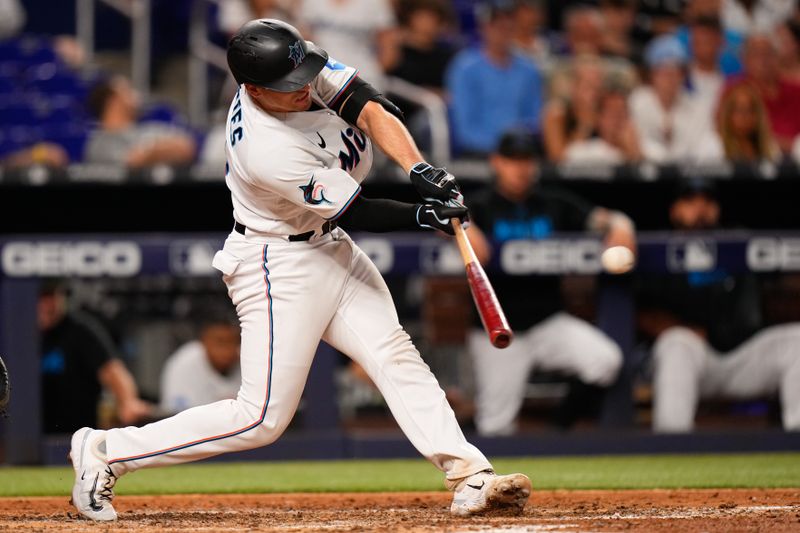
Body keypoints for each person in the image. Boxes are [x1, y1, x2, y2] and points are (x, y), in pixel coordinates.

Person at [69, 19, 531, 521]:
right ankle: (104, 451)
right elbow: (355, 210)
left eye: (304, 74)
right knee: (260, 419)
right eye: (289, 87)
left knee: (394, 356)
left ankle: (469, 475)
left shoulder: (296, 64)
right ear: (252, 88)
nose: (305, 88)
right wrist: (424, 215)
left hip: (328, 246)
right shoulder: (265, 148)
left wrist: (420, 170)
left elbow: (371, 106)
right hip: (276, 264)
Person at [465, 128, 632, 436]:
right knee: (495, 427)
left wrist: (622, 225)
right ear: (497, 163)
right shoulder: (480, 205)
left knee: (605, 360)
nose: (521, 168)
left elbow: (604, 219)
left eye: (527, 160)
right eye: (513, 160)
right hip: (498, 331)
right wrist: (461, 227)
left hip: (547, 322)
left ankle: (557, 431)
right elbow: (443, 219)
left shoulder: (553, 202)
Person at [638, 179, 800, 433]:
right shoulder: (659, 248)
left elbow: (779, 289)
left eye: (707, 202)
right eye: (691, 202)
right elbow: (640, 310)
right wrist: (680, 327)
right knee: (677, 343)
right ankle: (672, 446)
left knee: (796, 340)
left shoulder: (740, 243)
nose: (700, 209)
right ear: (675, 211)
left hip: (743, 356)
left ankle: (795, 442)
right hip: (696, 358)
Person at [38, 282, 151, 434]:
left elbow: (112, 370)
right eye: (40, 297)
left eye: (51, 296)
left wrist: (128, 401)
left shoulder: (78, 329)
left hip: (77, 436)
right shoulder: (13, 330)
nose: (46, 304)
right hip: (23, 438)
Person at [445, 0, 543, 155]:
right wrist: (502, 148)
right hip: (478, 153)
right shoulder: (464, 68)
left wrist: (516, 145)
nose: (503, 30)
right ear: (484, 27)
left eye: (508, 24)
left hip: (520, 152)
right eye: (497, 25)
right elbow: (464, 128)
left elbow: (534, 120)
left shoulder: (529, 70)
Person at [629, 35, 716, 163]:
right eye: (665, 72)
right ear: (652, 74)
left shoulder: (698, 105)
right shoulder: (636, 101)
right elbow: (635, 141)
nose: (671, 79)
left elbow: (704, 144)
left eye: (677, 72)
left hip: (688, 174)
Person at [84, 76, 197, 168]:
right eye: (128, 90)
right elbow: (130, 164)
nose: (136, 95)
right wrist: (158, 150)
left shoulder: (150, 128)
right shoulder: (100, 142)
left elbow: (186, 147)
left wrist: (148, 153)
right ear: (113, 99)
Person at [297, 0, 398, 90]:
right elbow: (303, 41)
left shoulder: (375, 3)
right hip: (320, 76)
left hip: (363, 78)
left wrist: (374, 72)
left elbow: (389, 52)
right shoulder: (311, 2)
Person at [160, 312, 241, 414]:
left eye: (233, 342)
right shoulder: (184, 363)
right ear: (204, 340)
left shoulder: (247, 361)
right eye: (220, 342)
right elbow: (175, 416)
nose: (227, 350)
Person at [740, 33, 800, 152]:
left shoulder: (795, 91)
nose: (763, 60)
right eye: (756, 54)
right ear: (745, 59)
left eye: (768, 54)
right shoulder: (735, 90)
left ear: (778, 58)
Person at [703, 81, 781, 161]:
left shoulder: (770, 146)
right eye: (739, 110)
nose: (745, 117)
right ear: (728, 114)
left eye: (750, 110)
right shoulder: (715, 145)